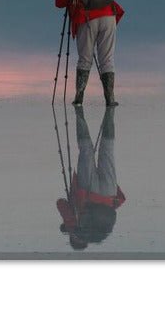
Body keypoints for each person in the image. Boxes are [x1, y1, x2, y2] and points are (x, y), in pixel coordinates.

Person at [55, 0, 124, 106]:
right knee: (107, 59)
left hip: (87, 19)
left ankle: (79, 97)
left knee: (85, 59)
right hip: (110, 15)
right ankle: (110, 98)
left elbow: (59, 2)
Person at [56, 107, 124, 250]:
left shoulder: (100, 233)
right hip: (87, 193)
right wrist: (68, 227)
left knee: (108, 149)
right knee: (86, 149)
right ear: (74, 238)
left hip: (109, 196)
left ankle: (110, 109)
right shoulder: (76, 228)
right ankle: (78, 110)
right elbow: (61, 204)